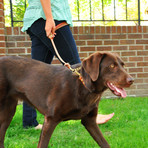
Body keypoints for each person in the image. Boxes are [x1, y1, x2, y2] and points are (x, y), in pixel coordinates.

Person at [21, 0, 114, 129]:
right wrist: (49, 19)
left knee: (35, 76)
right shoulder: (50, 18)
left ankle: (29, 121)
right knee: (79, 69)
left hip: (36, 20)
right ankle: (91, 114)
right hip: (51, 19)